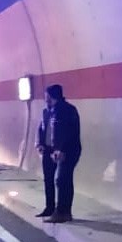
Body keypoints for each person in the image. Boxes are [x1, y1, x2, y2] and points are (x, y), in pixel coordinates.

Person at [35, 84, 81, 223]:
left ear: (54, 96)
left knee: (62, 180)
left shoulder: (67, 110)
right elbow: (41, 129)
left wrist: (61, 150)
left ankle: (63, 212)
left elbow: (69, 133)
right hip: (49, 150)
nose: (45, 99)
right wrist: (40, 144)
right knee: (49, 179)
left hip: (66, 151)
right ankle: (50, 207)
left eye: (47, 96)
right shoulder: (47, 112)